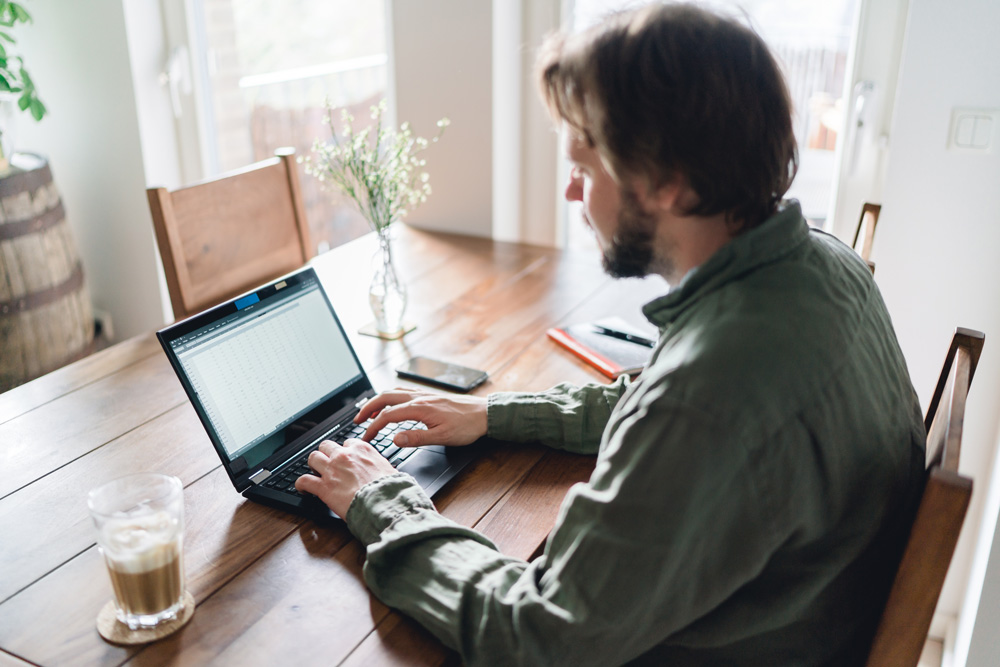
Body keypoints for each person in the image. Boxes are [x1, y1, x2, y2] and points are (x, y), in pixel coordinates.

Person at [295, 3, 925, 665]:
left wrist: (381, 502)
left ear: (670, 185)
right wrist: (491, 414)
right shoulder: (826, 267)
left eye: (586, 168)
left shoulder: (711, 397)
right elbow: (659, 403)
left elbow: (535, 634)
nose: (572, 192)